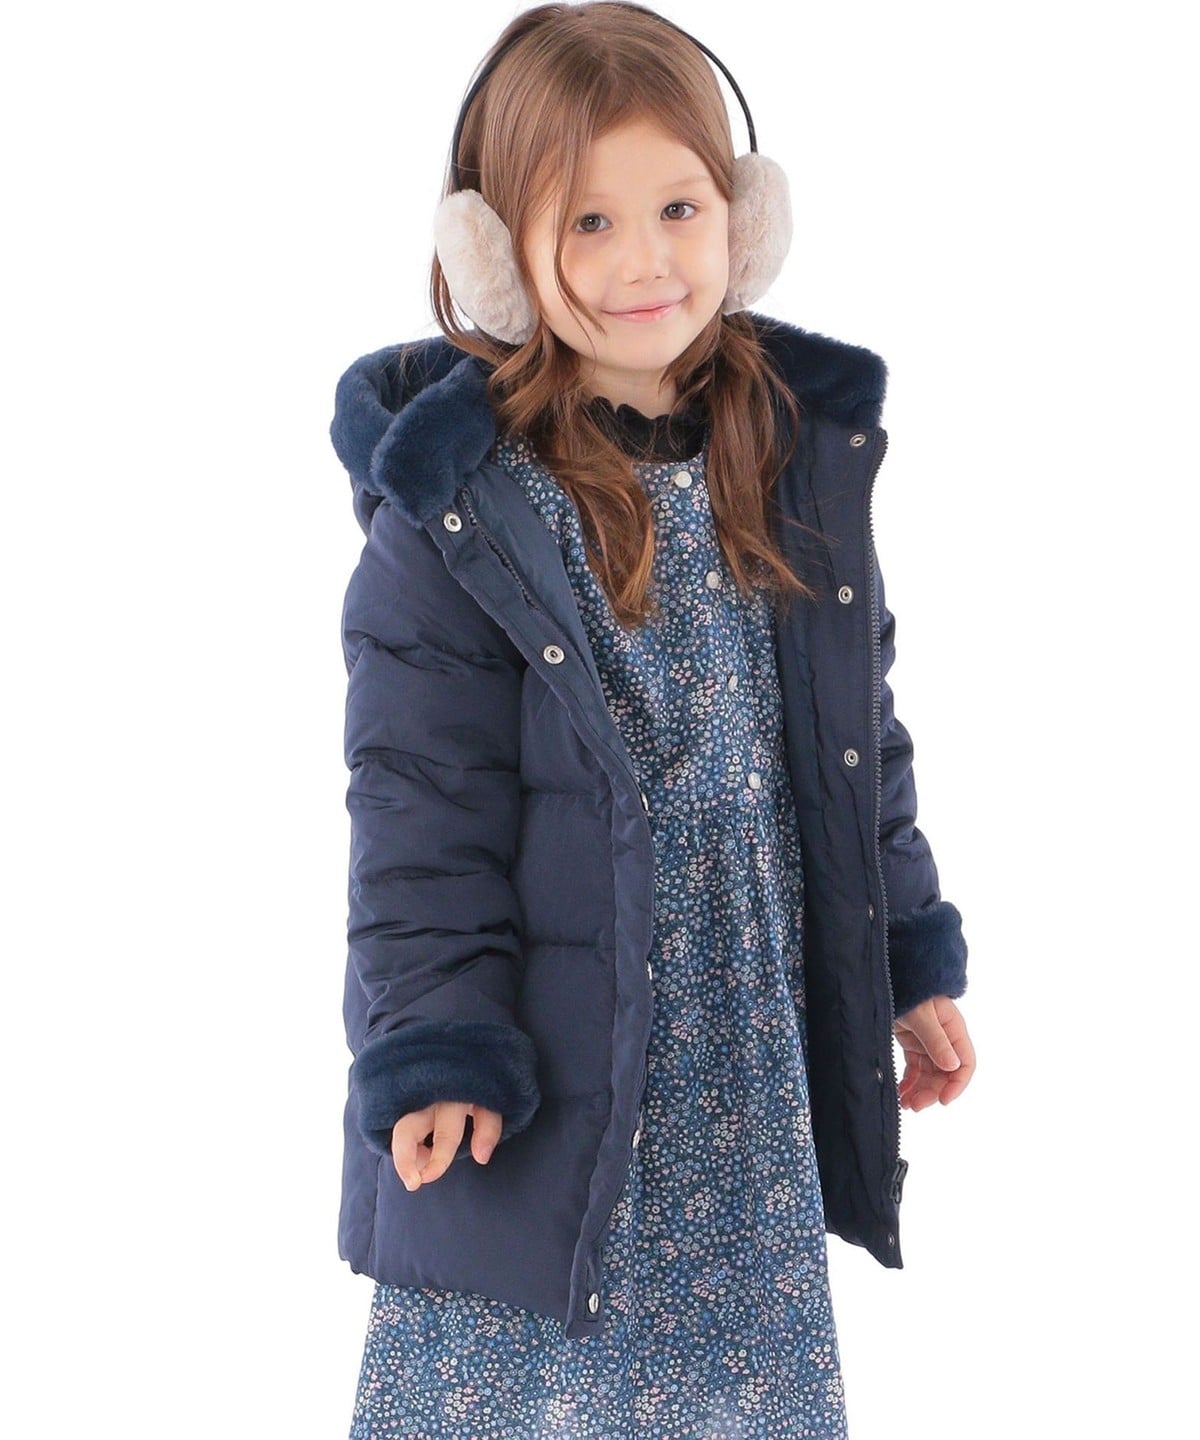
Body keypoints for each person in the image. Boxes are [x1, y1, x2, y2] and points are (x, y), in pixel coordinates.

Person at [329, 3, 975, 1436]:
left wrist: (900, 952)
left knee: (736, 1391)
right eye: (589, 222)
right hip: (557, 1051)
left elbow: (857, 738)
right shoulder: (457, 511)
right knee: (528, 1382)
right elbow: (417, 804)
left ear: (745, 216)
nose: (645, 261)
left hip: (744, 1046)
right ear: (493, 253)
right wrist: (438, 1039)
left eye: (679, 208)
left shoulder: (789, 457)